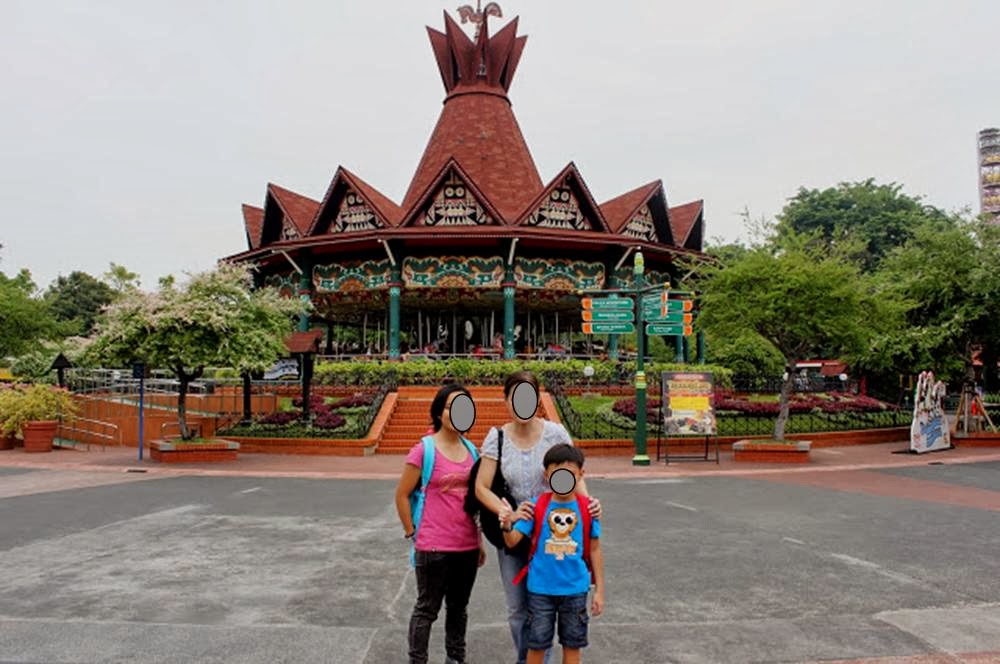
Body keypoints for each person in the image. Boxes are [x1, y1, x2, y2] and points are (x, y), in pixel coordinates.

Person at [474, 370, 601, 664]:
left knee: (560, 602)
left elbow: (574, 473)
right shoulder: (498, 437)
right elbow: (481, 486)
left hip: (555, 533)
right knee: (518, 608)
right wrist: (507, 511)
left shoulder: (555, 433)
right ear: (506, 400)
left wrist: (588, 504)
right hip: (516, 532)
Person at [395, 384, 487, 664]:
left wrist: (479, 542)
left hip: (467, 546)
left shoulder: (473, 451)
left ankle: (455, 659)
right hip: (433, 546)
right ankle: (417, 660)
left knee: (459, 609)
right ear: (438, 412)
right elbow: (401, 495)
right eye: (450, 407)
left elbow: (474, 502)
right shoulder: (424, 450)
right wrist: (413, 532)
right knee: (427, 609)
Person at [502, 444, 604, 664]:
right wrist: (506, 523)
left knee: (572, 646)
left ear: (580, 475)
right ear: (546, 475)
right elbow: (512, 541)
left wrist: (600, 591)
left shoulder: (588, 509)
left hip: (576, 589)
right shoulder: (536, 506)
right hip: (540, 590)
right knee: (537, 646)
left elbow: (595, 549)